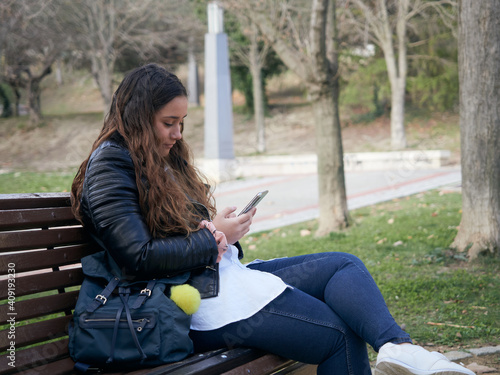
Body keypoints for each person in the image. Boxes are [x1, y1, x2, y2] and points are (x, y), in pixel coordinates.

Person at [71, 63, 475, 375]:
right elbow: (136, 257)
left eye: (181, 123)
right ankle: (401, 352)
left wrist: (216, 227)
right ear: (139, 117)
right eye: (168, 123)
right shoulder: (111, 165)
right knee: (336, 333)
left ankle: (399, 349)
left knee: (342, 266)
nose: (177, 134)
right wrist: (214, 239)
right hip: (184, 304)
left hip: (215, 278)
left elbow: (171, 232)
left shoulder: (156, 159)